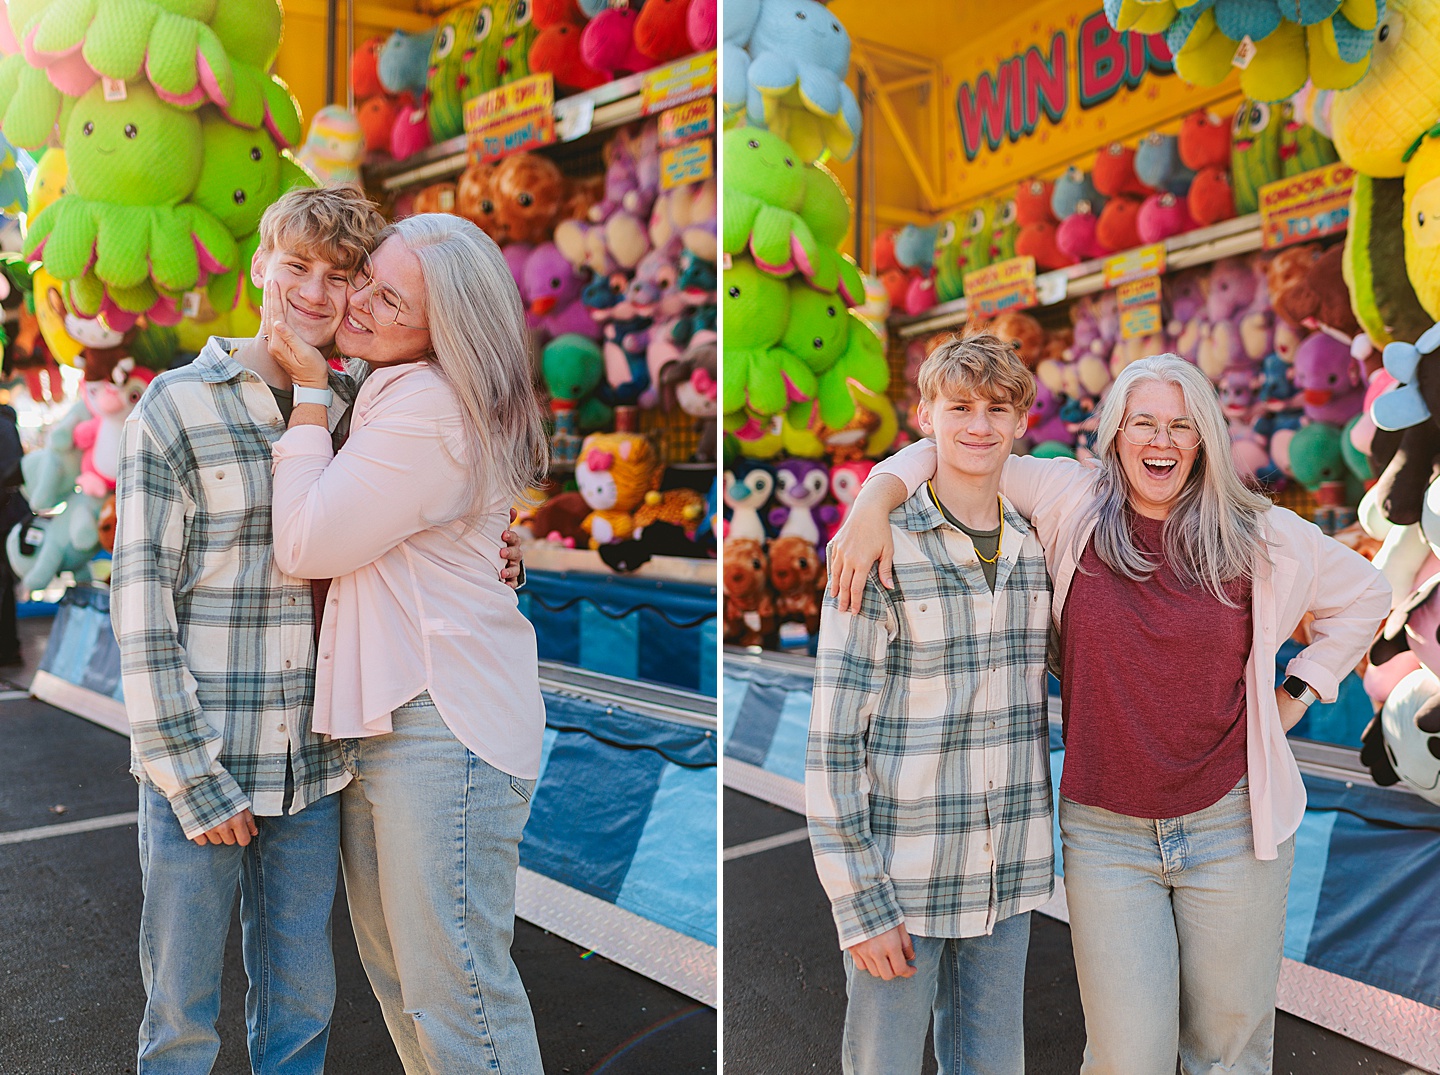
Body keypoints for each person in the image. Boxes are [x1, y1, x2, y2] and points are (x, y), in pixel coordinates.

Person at [828, 353, 1390, 1075]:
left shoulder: (1258, 530)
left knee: (1228, 1054)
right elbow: (956, 447)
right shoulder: (1071, 497)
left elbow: (1368, 593)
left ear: (1204, 438)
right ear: (1116, 432)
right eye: (1143, 422)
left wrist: (1296, 694)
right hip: (1106, 836)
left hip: (1232, 823)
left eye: (1181, 425)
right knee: (1128, 1058)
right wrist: (872, 503)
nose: (1162, 441)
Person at [110, 187, 524, 1074]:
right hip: (207, 757)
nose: (319, 292)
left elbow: (425, 506)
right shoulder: (176, 406)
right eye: (298, 266)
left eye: (345, 276)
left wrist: (495, 540)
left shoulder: (350, 403)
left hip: (316, 763)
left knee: (302, 1009)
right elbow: (140, 609)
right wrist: (189, 775)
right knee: (179, 1017)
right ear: (260, 263)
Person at [264, 212, 549, 1075]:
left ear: (446, 331)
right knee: (407, 983)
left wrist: (308, 394)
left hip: (440, 720)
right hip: (396, 714)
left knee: (455, 996)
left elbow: (305, 542)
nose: (359, 303)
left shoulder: (425, 402)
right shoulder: (392, 384)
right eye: (368, 279)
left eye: (393, 301)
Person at [808, 333, 1055, 1075]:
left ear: (1021, 422)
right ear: (925, 418)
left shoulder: (1038, 550)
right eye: (960, 408)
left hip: (1007, 873)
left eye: (997, 409)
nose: (979, 425)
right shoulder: (878, 547)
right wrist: (859, 903)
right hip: (902, 878)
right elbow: (833, 742)